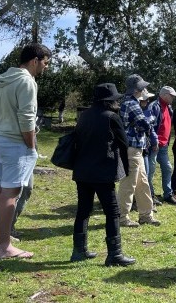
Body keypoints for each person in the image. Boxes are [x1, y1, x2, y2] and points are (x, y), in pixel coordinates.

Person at [0, 42, 52, 258]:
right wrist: (31, 147)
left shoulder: (4, 79)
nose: (46, 67)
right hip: (14, 142)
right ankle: (4, 246)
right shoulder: (27, 82)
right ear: (34, 61)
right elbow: (26, 117)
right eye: (45, 63)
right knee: (10, 194)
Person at [71, 83, 135, 266]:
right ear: (109, 101)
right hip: (102, 172)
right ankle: (114, 254)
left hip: (82, 171)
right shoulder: (111, 117)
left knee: (83, 211)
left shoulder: (84, 116)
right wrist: (127, 169)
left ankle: (79, 251)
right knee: (112, 212)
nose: (118, 102)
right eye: (116, 99)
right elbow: (124, 144)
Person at [117, 74, 160, 227]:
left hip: (137, 149)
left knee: (142, 182)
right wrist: (151, 120)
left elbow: (143, 124)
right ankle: (122, 217)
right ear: (137, 89)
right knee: (129, 184)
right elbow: (145, 123)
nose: (145, 89)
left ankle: (146, 215)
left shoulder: (131, 102)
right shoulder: (132, 103)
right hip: (132, 149)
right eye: (143, 87)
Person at [147, 86, 176, 205]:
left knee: (167, 168)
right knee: (150, 171)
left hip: (164, 145)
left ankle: (168, 194)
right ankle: (150, 195)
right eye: (171, 95)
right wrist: (154, 142)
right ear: (164, 95)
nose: (173, 98)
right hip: (154, 145)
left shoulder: (169, 107)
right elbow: (150, 126)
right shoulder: (154, 106)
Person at [138, 89, 159, 206]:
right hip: (135, 147)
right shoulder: (134, 112)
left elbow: (151, 129)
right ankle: (140, 201)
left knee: (146, 174)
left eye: (147, 99)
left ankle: (148, 200)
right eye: (145, 99)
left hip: (145, 147)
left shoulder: (147, 111)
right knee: (137, 177)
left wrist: (155, 141)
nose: (147, 101)